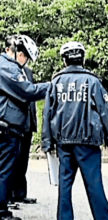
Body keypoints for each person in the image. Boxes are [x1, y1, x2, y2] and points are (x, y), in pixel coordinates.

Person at [41, 41, 108, 220]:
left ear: (65, 61)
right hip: (88, 142)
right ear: (83, 59)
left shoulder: (56, 82)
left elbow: (47, 114)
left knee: (64, 187)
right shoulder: (93, 82)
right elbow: (105, 112)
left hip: (63, 143)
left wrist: (47, 142)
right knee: (94, 185)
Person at [0, 35, 49, 220]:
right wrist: (53, 86)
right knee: (4, 171)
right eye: (26, 57)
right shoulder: (7, 67)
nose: (26, 61)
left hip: (9, 126)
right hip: (6, 128)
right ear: (19, 54)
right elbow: (28, 91)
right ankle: (1, 211)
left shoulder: (8, 66)